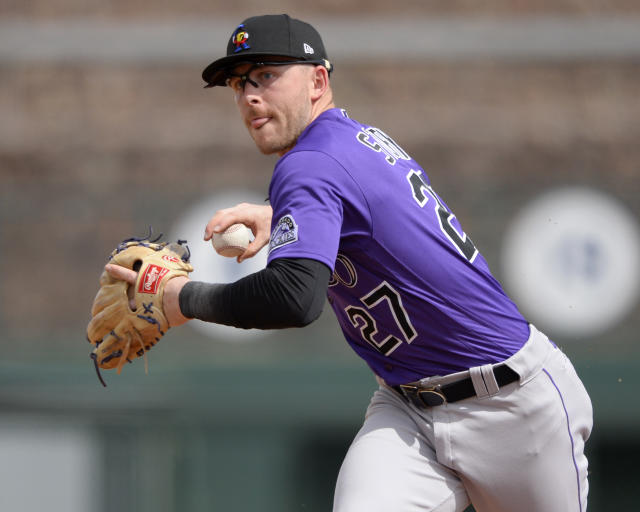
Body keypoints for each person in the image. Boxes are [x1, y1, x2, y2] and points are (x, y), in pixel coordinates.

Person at [107, 14, 593, 512]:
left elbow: (294, 299)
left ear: (318, 80)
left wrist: (179, 300)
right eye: (238, 83)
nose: (249, 96)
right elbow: (370, 213)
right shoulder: (353, 140)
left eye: (267, 76)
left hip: (514, 406)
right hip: (408, 411)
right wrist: (281, 217)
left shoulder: (308, 165)